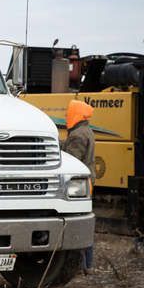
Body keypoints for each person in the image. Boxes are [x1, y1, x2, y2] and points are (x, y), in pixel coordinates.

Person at [64, 99, 96, 273]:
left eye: (68, 112)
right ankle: (87, 265)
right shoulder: (86, 131)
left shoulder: (77, 135)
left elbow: (72, 161)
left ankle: (82, 265)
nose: (65, 115)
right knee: (86, 224)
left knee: (77, 225)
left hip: (79, 185)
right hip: (89, 181)